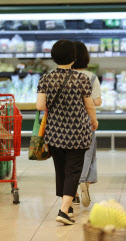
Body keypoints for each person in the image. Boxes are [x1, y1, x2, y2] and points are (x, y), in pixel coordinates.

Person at [36, 39, 99, 225]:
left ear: (53, 57)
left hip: (55, 132)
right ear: (73, 58)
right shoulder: (82, 79)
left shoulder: (46, 79)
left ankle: (69, 207)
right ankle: (64, 211)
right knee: (73, 171)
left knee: (61, 170)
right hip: (78, 132)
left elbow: (40, 105)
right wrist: (94, 120)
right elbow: (89, 106)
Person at [72, 41, 102, 207]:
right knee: (88, 156)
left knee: (69, 158)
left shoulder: (62, 76)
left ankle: (73, 193)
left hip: (64, 125)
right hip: (86, 122)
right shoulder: (91, 77)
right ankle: (85, 182)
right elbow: (96, 101)